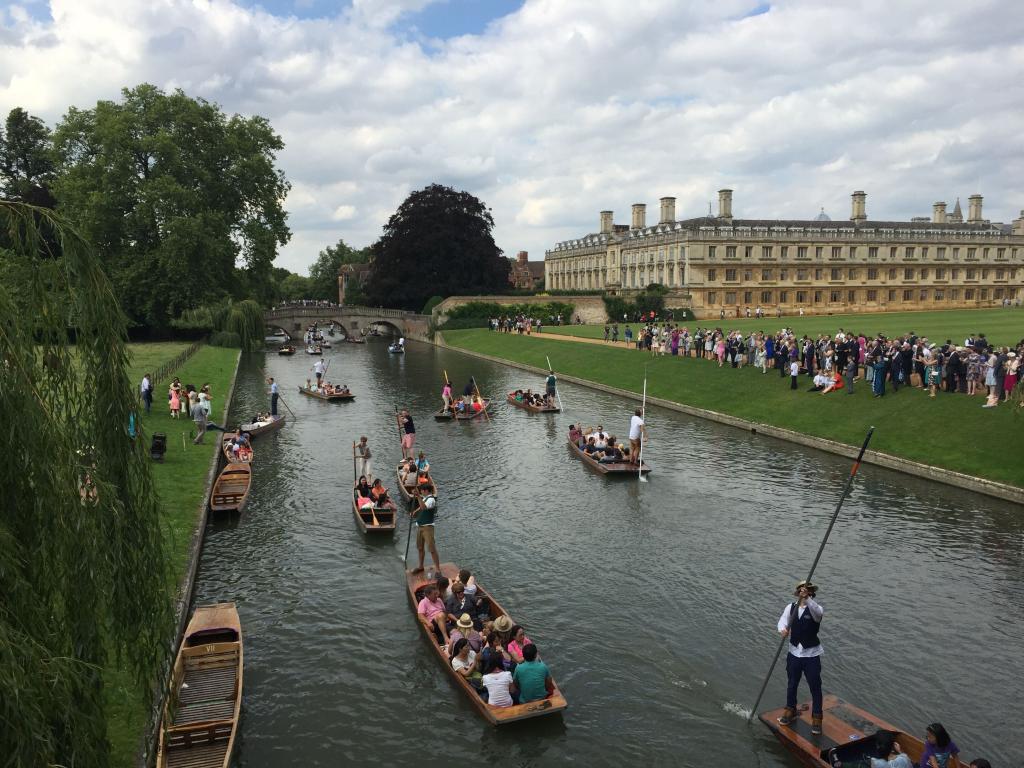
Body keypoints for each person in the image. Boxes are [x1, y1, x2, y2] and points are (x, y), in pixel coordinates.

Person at [777, 580, 824, 734]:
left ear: (810, 593)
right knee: (792, 683)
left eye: (807, 591)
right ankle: (790, 709)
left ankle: (817, 718)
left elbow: (818, 614)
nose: (804, 592)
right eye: (802, 590)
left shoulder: (816, 609)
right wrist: (782, 630)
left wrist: (808, 599)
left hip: (811, 655)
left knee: (815, 686)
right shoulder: (790, 607)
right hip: (794, 653)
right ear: (798, 592)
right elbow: (782, 621)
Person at [409, 493, 440, 576]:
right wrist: (414, 512)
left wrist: (418, 496)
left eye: (422, 490)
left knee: (432, 549)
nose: (421, 492)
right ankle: (420, 566)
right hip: (420, 526)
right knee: (420, 548)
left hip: (427, 527)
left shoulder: (431, 499)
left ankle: (437, 570)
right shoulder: (425, 499)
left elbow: (423, 507)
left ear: (426, 490)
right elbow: (420, 507)